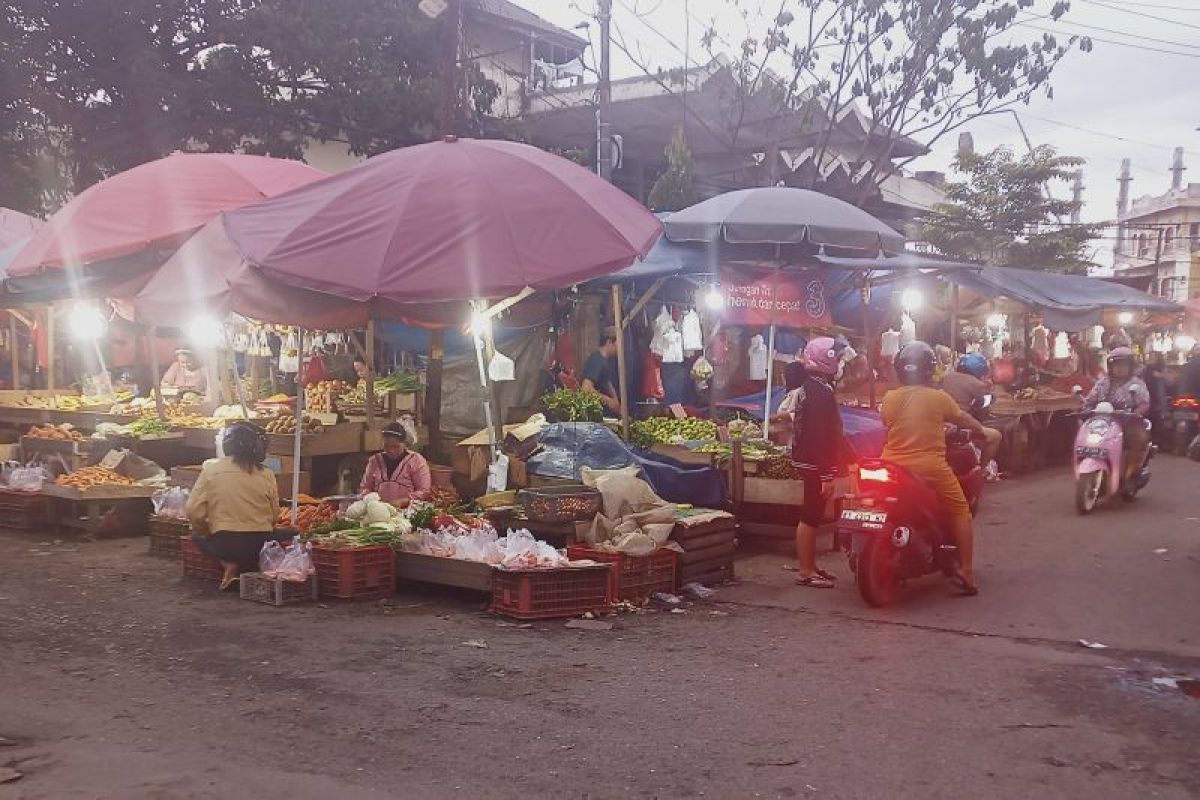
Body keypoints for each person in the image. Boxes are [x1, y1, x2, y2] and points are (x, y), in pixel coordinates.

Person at [881, 342, 988, 596]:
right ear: (930, 371)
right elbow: (963, 418)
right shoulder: (939, 398)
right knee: (961, 510)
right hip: (928, 467)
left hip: (890, 464)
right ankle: (966, 570)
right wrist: (980, 430)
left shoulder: (890, 397)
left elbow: (887, 422)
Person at [786, 338, 853, 589]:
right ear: (825, 359)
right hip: (814, 463)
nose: (840, 364)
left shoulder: (813, 387)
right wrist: (827, 474)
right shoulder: (820, 392)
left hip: (809, 460)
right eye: (837, 358)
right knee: (810, 515)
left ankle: (810, 566)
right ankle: (805, 571)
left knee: (812, 514)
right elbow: (820, 434)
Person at [186, 422, 283, 590]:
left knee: (195, 534)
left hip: (224, 544)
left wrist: (206, 531)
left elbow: (193, 511)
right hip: (260, 545)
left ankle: (228, 564)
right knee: (288, 532)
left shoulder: (211, 470)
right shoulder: (267, 474)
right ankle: (253, 565)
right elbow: (274, 515)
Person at [1083, 347, 1151, 483]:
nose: (1119, 368)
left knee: (1138, 439)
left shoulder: (1137, 384)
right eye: (1116, 365)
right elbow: (1090, 400)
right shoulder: (1102, 383)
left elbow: (1145, 403)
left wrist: (1135, 413)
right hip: (1103, 423)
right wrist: (1085, 408)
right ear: (1110, 366)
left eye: (1123, 365)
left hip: (1129, 422)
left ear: (1130, 366)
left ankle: (1130, 471)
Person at [942, 353, 1004, 471]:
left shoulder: (947, 377)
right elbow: (983, 405)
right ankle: (981, 469)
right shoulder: (977, 384)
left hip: (942, 422)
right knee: (996, 436)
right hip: (959, 423)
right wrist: (988, 390)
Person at [360, 421, 431, 506]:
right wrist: (370, 500)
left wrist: (403, 501)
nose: (391, 450)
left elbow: (424, 491)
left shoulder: (416, 461)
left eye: (395, 446)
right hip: (378, 510)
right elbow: (365, 487)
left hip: (407, 511)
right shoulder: (374, 461)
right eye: (386, 446)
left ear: (405, 443)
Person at [580, 330, 621, 415]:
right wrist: (609, 401)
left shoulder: (605, 361)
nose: (620, 347)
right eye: (618, 343)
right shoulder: (596, 360)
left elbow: (607, 383)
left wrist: (617, 404)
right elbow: (586, 389)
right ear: (609, 342)